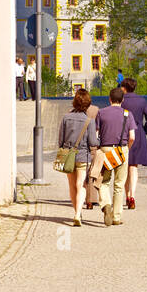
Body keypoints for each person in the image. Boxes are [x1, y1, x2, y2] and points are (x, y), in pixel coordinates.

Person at [93, 87, 136, 227]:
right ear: (122, 100)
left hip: (106, 149)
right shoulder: (127, 114)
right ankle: (116, 217)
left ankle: (106, 204)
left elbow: (96, 135)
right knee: (119, 184)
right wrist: (126, 150)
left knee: (104, 182)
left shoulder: (101, 113)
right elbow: (132, 137)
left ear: (109, 99)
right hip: (121, 150)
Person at [57, 88, 98, 226]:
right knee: (81, 185)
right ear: (88, 103)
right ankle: (77, 214)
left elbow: (60, 141)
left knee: (72, 185)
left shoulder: (66, 118)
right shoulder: (89, 121)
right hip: (82, 156)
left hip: (68, 156)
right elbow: (92, 142)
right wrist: (99, 141)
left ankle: (77, 212)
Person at [121, 77, 147, 211]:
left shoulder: (121, 100)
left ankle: (127, 195)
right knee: (133, 166)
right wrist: (143, 131)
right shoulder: (141, 100)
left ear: (124, 88)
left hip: (123, 134)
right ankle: (132, 195)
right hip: (138, 133)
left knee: (124, 166)